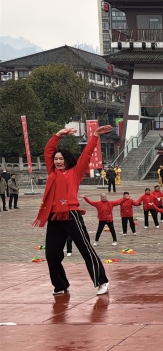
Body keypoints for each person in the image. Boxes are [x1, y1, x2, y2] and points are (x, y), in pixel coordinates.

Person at [36, 126, 113, 297]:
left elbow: (86, 154)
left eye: (61, 158)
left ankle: (102, 281)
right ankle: (61, 285)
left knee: (86, 249)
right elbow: (47, 150)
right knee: (52, 254)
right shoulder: (52, 173)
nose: (57, 161)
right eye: (56, 159)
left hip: (71, 216)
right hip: (54, 217)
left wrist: (94, 136)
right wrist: (58, 135)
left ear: (67, 160)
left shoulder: (75, 172)